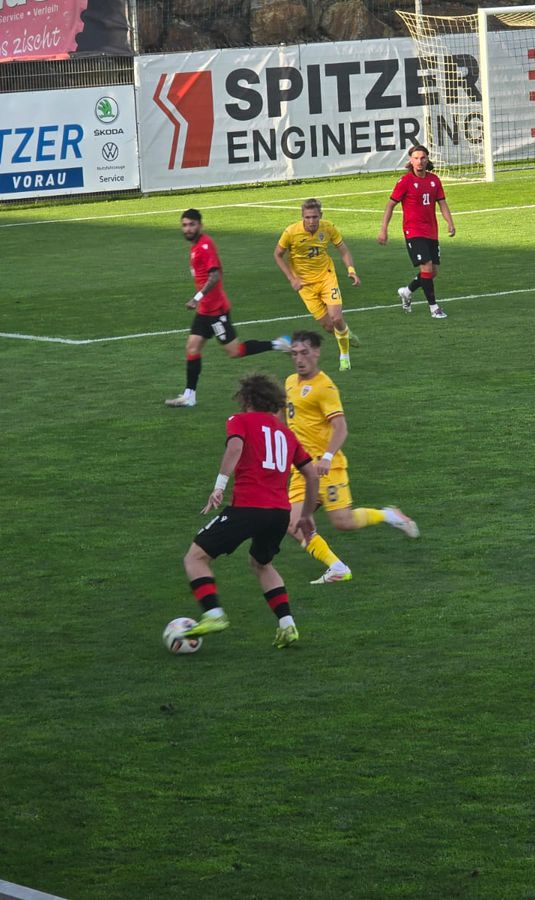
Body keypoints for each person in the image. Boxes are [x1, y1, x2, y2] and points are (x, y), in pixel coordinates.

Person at [179, 374, 320, 649]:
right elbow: (312, 475)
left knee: (195, 558)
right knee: (262, 564)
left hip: (247, 508)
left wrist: (219, 486)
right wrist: (306, 514)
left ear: (246, 399)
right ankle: (287, 624)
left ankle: (214, 614)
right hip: (279, 513)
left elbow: (235, 446)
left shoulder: (239, 420)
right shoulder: (286, 433)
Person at [282, 330, 420, 585]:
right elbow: (286, 418)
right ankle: (337, 567)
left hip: (328, 469)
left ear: (316, 352)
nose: (299, 359)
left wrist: (326, 457)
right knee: (292, 524)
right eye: (295, 354)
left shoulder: (325, 387)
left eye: (304, 353)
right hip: (302, 471)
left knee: (343, 522)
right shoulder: (290, 382)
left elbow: (341, 427)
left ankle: (389, 516)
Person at [166, 209, 277, 408]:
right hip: (204, 311)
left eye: (192, 224)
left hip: (216, 311)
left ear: (200, 225)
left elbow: (215, 275)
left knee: (235, 351)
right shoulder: (195, 246)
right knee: (192, 347)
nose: (188, 229)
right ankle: (189, 395)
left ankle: (277, 344)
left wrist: (196, 297)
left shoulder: (205, 245)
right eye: (184, 225)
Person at [272, 199, 360, 372]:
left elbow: (343, 250)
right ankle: (346, 333)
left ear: (321, 215)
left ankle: (344, 357)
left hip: (327, 278)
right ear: (302, 217)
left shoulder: (328, 228)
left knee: (336, 318)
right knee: (329, 327)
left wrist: (351, 270)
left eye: (314, 217)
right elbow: (277, 255)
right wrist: (292, 279)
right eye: (308, 217)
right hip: (305, 286)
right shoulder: (291, 232)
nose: (311, 221)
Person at [377, 145, 456, 319]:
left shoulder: (434, 180)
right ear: (410, 160)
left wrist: (450, 222)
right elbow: (390, 205)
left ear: (427, 160)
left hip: (431, 231)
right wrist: (383, 228)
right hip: (413, 230)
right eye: (416, 158)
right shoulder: (405, 181)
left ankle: (407, 291)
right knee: (426, 267)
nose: (419, 162)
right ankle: (434, 308)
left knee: (432, 272)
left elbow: (442, 203)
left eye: (422, 158)